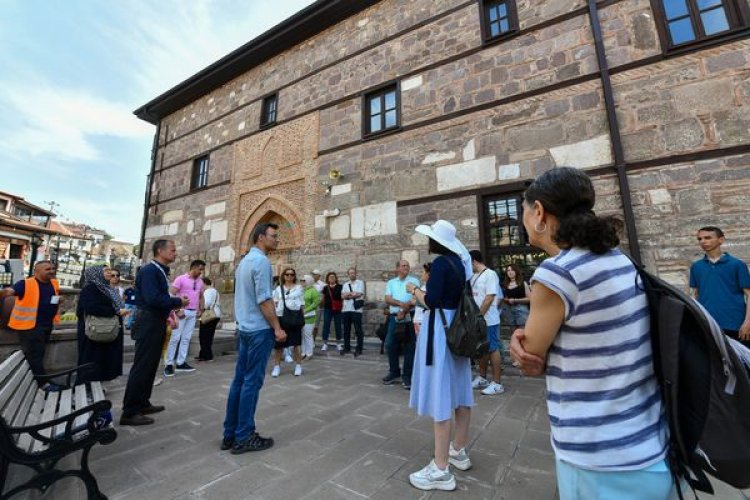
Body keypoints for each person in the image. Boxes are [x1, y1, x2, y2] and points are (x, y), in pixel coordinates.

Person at [509, 167, 672, 499]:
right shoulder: (617, 259)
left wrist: (518, 342)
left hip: (597, 455)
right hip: (649, 442)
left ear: (538, 211)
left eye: (524, 211)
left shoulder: (557, 274)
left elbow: (530, 357)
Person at [404, 220, 474, 491]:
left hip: (441, 331)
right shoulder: (460, 263)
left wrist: (415, 290)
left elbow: (431, 300)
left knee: (441, 394)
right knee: (460, 391)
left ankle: (441, 468)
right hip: (457, 328)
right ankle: (458, 449)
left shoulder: (443, 263)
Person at [222, 223, 286, 454]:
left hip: (245, 329)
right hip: (258, 330)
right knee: (251, 382)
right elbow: (264, 300)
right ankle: (244, 436)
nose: (277, 240)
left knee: (240, 381)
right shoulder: (261, 262)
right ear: (261, 237)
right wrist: (277, 328)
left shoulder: (244, 262)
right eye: (273, 236)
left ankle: (230, 434)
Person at [121, 240, 188, 426]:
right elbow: (153, 299)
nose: (176, 253)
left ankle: (142, 402)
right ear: (160, 251)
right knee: (142, 366)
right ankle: (130, 411)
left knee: (150, 365)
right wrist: (178, 302)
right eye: (173, 250)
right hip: (148, 322)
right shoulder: (150, 271)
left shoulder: (159, 271)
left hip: (155, 322)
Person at [1, 261, 61, 388]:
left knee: (39, 354)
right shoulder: (26, 283)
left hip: (46, 325)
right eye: (47, 269)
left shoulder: (54, 283)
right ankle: (43, 384)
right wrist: (5, 291)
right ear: (37, 271)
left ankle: (41, 381)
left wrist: (58, 300)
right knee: (35, 355)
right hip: (30, 326)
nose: (51, 271)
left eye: (52, 268)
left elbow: (51, 299)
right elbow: (10, 291)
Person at [689, 226, 750, 347]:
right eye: (700, 239)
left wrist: (748, 322)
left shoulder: (737, 265)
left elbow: (749, 294)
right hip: (708, 324)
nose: (703, 241)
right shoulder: (696, 267)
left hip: (735, 324)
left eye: (707, 238)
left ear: (721, 240)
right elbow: (694, 295)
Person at [76, 266, 126, 384]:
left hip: (107, 330)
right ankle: (86, 388)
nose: (109, 272)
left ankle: (98, 386)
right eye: (106, 271)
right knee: (91, 360)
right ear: (96, 274)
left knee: (103, 360)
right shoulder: (90, 289)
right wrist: (114, 312)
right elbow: (91, 307)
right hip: (95, 331)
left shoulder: (107, 289)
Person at [469, 250, 505, 396]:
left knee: (493, 349)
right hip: (478, 320)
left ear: (473, 261)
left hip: (489, 320)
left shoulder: (490, 274)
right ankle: (482, 377)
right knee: (482, 349)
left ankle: (497, 383)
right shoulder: (474, 276)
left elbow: (489, 297)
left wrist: (478, 316)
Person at [164, 259, 205, 375]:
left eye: (202, 270)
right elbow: (171, 293)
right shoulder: (181, 278)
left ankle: (181, 363)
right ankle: (169, 364)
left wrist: (201, 309)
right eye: (200, 269)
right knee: (175, 338)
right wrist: (177, 309)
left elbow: (201, 296)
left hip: (193, 313)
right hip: (181, 312)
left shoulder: (200, 282)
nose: (201, 272)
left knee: (186, 338)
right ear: (193, 267)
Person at [383, 260, 420, 388]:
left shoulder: (414, 281)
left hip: (409, 316)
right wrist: (400, 305)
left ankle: (407, 376)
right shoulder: (391, 283)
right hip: (394, 317)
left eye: (407, 266)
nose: (406, 267)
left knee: (409, 347)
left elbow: (416, 298)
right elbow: (387, 298)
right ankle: (394, 372)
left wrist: (404, 310)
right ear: (397, 268)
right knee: (390, 344)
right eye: (403, 266)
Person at [271, 267, 305, 377]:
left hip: (295, 318)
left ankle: (298, 365)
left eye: (292, 274)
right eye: (287, 274)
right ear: (283, 276)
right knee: (279, 344)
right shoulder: (278, 289)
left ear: (294, 276)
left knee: (296, 344)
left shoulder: (299, 288)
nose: (289, 276)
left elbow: (302, 305)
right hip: (281, 317)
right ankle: (276, 366)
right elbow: (275, 304)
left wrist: (302, 321)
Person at [196, 277, 221, 362]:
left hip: (208, 315)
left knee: (203, 336)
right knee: (208, 336)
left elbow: (207, 303)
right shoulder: (215, 291)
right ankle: (203, 354)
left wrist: (200, 308)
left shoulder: (208, 291)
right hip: (215, 314)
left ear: (204, 283)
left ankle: (207, 356)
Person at [341, 267, 366, 356]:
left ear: (356, 273)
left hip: (356, 310)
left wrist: (348, 295)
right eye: (350, 273)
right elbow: (343, 296)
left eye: (353, 273)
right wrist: (352, 294)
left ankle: (359, 348)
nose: (352, 274)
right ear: (348, 274)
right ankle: (347, 347)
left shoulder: (360, 283)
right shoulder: (345, 284)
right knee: (346, 330)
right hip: (346, 309)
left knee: (358, 330)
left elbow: (360, 294)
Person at [320, 271, 343, 352]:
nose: (332, 278)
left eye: (333, 277)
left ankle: (339, 343)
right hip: (327, 309)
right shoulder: (325, 288)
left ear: (336, 278)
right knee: (326, 325)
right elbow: (323, 298)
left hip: (337, 309)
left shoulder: (340, 287)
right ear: (328, 279)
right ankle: (325, 343)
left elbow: (342, 297)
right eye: (330, 277)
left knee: (338, 325)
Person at [301, 274, 321, 360]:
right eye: (301, 280)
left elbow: (316, 303)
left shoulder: (314, 291)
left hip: (309, 316)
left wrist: (306, 310)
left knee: (308, 334)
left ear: (308, 281)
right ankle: (303, 352)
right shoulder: (302, 290)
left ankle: (309, 353)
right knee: (302, 335)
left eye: (303, 281)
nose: (302, 282)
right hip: (301, 316)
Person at [413, 263, 431, 335]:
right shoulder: (424, 286)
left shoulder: (429, 288)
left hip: (422, 320)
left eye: (423, 271)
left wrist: (415, 301)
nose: (422, 273)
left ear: (428, 274)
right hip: (418, 320)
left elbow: (425, 301)